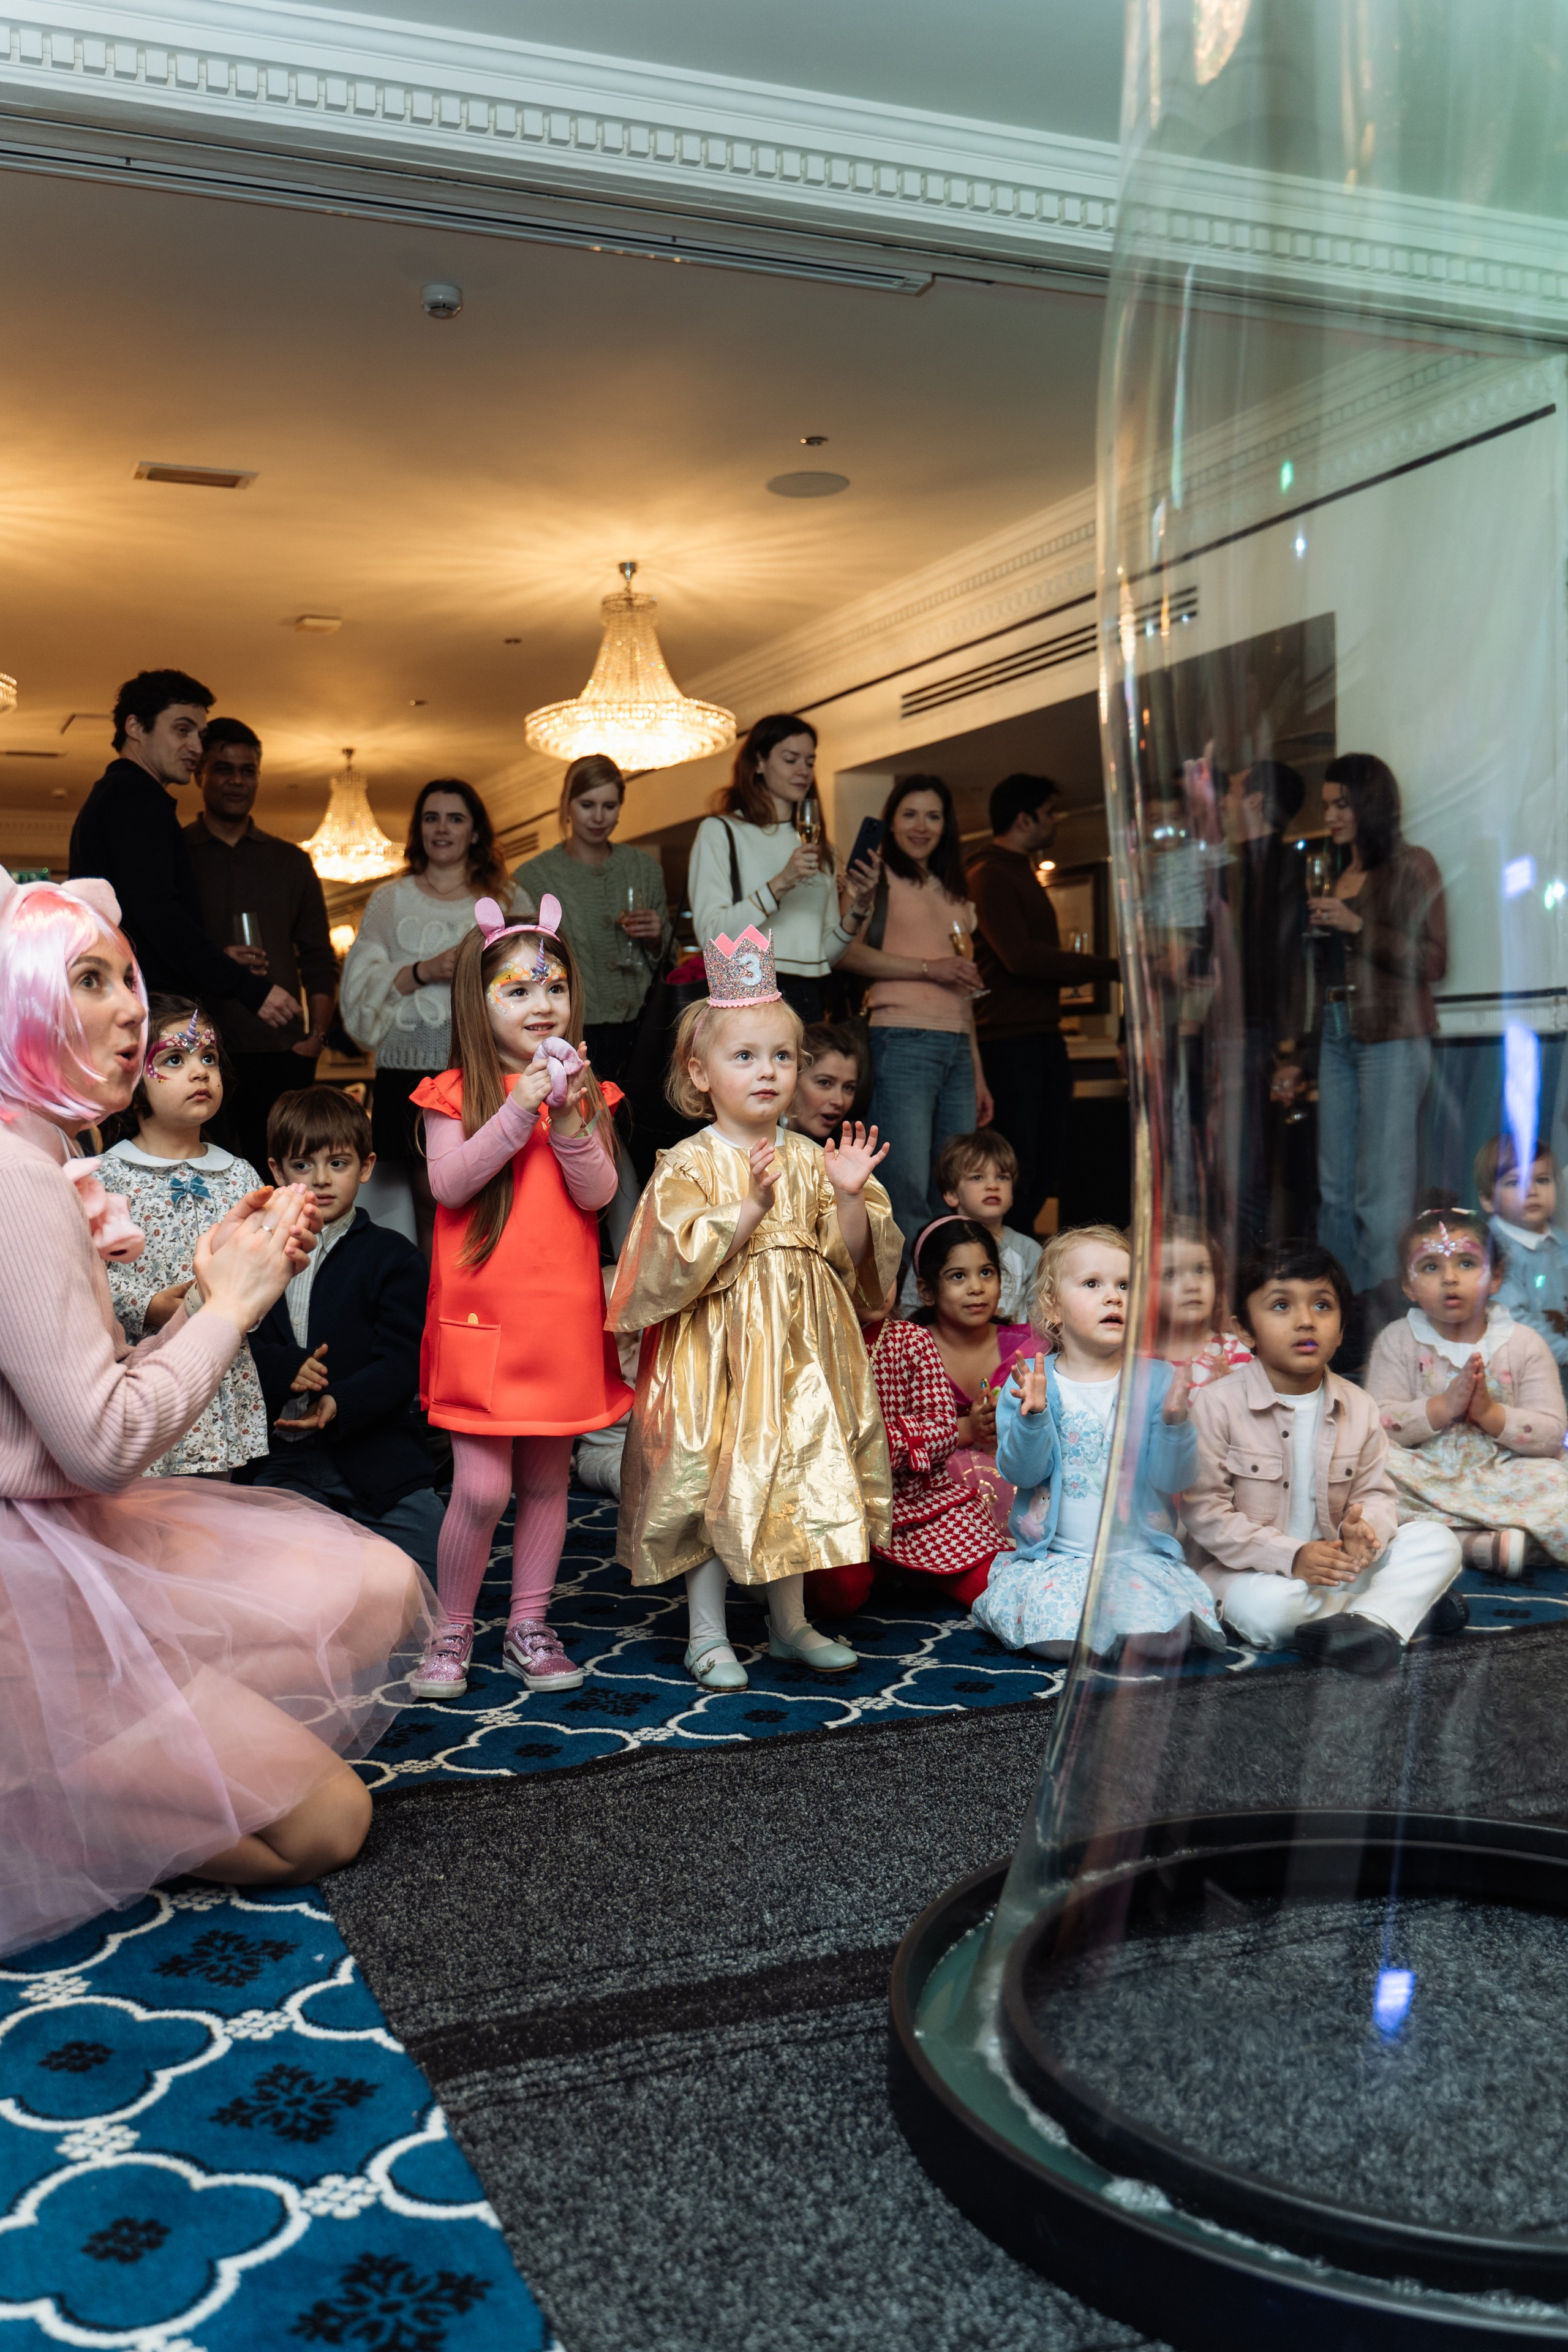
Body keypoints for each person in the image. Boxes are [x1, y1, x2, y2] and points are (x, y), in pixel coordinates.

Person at [0, 869, 429, 1955]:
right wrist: (233, 1306)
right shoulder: (14, 1176)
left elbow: (67, 1393)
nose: (135, 1008)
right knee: (333, 1822)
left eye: (129, 977)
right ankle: (45, 1791)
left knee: (378, 1588)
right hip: (28, 1574)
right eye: (89, 980)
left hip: (68, 1535)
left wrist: (201, 1287)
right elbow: (97, 1444)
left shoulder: (44, 1157)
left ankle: (124, 1745)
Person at [608, 923, 901, 1692]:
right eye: (745, 1057)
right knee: (711, 1480)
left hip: (799, 1360)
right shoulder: (690, 1161)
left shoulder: (811, 1156)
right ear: (698, 1071)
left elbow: (855, 1261)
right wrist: (744, 1210)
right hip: (716, 1363)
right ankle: (706, 1635)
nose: (767, 1073)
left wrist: (845, 1198)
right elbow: (661, 1263)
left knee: (791, 1475)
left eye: (781, 1057)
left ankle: (789, 1625)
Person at [409, 892, 631, 1700]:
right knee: (481, 1488)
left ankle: (528, 1625)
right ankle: (451, 1630)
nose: (543, 1004)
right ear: (481, 1000)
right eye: (519, 989)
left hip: (561, 1326)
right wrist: (515, 1110)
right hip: (481, 1326)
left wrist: (569, 1117)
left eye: (555, 988)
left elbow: (598, 1195)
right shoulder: (450, 1094)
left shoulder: (591, 1094)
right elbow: (450, 1184)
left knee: (547, 1482)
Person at [1185, 1239, 1464, 1675]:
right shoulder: (1216, 1405)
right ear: (1244, 1329)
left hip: (1338, 1565)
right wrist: (1292, 1557)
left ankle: (1374, 1616)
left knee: (1436, 1541)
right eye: (1281, 1306)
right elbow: (1206, 1516)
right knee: (1271, 1613)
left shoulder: (1360, 1405)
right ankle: (1400, 1611)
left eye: (1322, 1306)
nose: (1304, 1321)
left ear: (1340, 1327)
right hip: (1251, 1574)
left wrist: (1365, 1532)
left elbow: (1377, 1494)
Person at [971, 1226, 1224, 1662]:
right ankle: (1105, 1634)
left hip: (1136, 1556)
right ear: (1053, 1307)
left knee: (1169, 1635)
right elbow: (1023, 1474)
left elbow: (1173, 1478)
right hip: (1060, 1560)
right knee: (1056, 1639)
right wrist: (1034, 1417)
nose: (1114, 1297)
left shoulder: (1156, 1380)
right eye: (1093, 1284)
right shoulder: (1033, 1383)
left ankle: (1123, 1632)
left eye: (1125, 1285)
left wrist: (1175, 1423)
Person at [241, 1086, 448, 1584]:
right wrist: (284, 1368)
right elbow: (236, 1345)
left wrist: (339, 1402)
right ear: (276, 1171)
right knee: (270, 1574)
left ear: (367, 1166)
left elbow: (400, 1364)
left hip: (375, 1456)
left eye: (338, 1163)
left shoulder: (394, 1258)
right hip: (282, 1459)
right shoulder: (255, 1253)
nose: (321, 1180)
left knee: (435, 1563)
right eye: (302, 1166)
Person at [340, 778, 533, 1254]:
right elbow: (358, 994)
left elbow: (534, 975)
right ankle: (430, 1309)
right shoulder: (390, 901)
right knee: (426, 1200)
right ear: (418, 829)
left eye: (455, 818)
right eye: (431, 818)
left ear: (475, 833)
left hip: (481, 1069)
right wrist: (425, 970)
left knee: (491, 1194)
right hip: (406, 1073)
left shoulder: (509, 899)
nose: (442, 829)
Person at [69, 669, 299, 1041]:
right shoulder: (135, 798)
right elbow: (160, 916)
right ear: (135, 727)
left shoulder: (120, 795)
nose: (196, 746)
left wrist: (215, 962)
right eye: (182, 730)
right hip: (146, 1008)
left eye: (199, 734)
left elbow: (148, 921)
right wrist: (251, 989)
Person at [102, 995, 270, 1480]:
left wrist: (240, 1304)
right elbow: (85, 1276)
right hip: (141, 1372)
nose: (200, 1072)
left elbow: (261, 1266)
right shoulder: (109, 1176)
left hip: (220, 1373)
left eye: (209, 1058)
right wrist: (148, 1305)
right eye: (174, 1059)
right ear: (135, 1080)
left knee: (215, 1516)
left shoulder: (240, 1176)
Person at [1304, 753, 1447, 1303]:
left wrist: (1358, 923)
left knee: (1380, 1193)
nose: (1332, 814)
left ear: (1371, 804)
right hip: (1337, 1029)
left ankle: (1383, 1312)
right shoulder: (1334, 871)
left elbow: (1433, 961)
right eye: (1327, 805)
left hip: (1391, 1033)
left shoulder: (1413, 865)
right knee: (1334, 1190)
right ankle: (1331, 1308)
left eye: (1342, 803)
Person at [1365, 1207, 1568, 1578]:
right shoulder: (1398, 1340)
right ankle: (1478, 1546)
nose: (1449, 1279)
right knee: (1365, 1479)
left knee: (1561, 1489)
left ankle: (1458, 1542)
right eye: (1430, 1267)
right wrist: (1443, 1407)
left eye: (1467, 1264)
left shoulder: (1524, 1343)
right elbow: (1377, 1423)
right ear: (1407, 1285)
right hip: (1424, 1475)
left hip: (1507, 1474)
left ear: (1497, 1277)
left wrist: (1490, 1414)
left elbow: (1553, 1433)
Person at [837, 774, 993, 1251]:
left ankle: (942, 1306)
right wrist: (931, 968)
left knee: (955, 1189)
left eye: (933, 816)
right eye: (909, 814)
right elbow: (845, 955)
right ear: (891, 819)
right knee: (904, 1189)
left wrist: (978, 1074)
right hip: (899, 1039)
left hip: (956, 1051)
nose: (921, 826)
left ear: (947, 826)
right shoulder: (875, 877)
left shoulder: (955, 894)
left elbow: (963, 991)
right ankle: (900, 1312)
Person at [183, 718, 338, 1174]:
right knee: (202, 1178)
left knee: (285, 1177)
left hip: (282, 1053)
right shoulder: (176, 852)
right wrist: (217, 963)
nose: (236, 781)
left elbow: (318, 959)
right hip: (201, 1046)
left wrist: (316, 1039)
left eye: (247, 770)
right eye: (223, 768)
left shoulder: (291, 861)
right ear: (200, 774)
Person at [967, 774, 1119, 1236]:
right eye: (1050, 812)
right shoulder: (989, 874)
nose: (1056, 821)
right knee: (1020, 1162)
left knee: (1047, 1158)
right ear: (1024, 818)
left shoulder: (1018, 871)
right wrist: (1110, 967)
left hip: (1039, 1036)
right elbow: (1020, 956)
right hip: (1009, 1040)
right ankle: (1006, 1269)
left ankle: (1023, 1261)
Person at [804, 1298, 1014, 1622]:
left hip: (922, 1507)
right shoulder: (806, 1341)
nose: (874, 1282)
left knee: (997, 1586)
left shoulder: (911, 1340)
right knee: (838, 1595)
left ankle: (917, 1573)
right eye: (860, 1268)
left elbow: (944, 1430)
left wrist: (873, 1443)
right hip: (841, 1512)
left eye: (885, 1270)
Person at [687, 714, 877, 1023]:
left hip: (811, 995)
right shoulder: (722, 831)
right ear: (759, 763)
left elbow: (823, 955)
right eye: (791, 760)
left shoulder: (821, 848)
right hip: (747, 987)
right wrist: (782, 882)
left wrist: (859, 908)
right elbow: (711, 938)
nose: (803, 771)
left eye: (810, 761)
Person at [513, 753, 671, 1085]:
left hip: (643, 1023)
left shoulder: (644, 869)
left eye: (610, 806)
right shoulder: (532, 877)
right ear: (567, 805)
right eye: (588, 805)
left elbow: (669, 960)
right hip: (573, 1024)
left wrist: (657, 938)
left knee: (642, 1123)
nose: (599, 817)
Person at [1218, 758, 1308, 1251]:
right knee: (1242, 1168)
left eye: (1231, 792)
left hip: (1260, 1033)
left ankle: (1248, 1275)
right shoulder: (1240, 870)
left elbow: (1288, 965)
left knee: (1247, 1169)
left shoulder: (1281, 868)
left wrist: (1290, 1048)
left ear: (1254, 801)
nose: (1224, 803)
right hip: (1249, 1031)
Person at [903, 1215, 1034, 1536]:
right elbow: (894, 1442)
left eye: (986, 1273)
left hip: (1018, 1486)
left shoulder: (1029, 1348)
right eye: (958, 1276)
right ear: (927, 1290)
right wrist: (967, 1429)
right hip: (932, 1497)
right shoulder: (907, 1351)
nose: (977, 1288)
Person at [896, 1129, 1042, 1322]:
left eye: (1002, 1177)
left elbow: (1041, 1318)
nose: (993, 1186)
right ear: (952, 1194)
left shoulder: (1029, 1250)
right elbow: (910, 1313)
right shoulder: (935, 1246)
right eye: (977, 1177)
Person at [1477, 1133, 1568, 1401]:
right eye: (1515, 1183)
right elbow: (1514, 1321)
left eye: (1542, 1180)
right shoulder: (1497, 1251)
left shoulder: (1558, 1240)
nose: (1531, 1191)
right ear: (1487, 1199)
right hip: (1519, 1366)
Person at [1152, 1216, 1251, 1387]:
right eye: (1170, 1274)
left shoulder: (1237, 1351)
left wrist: (1230, 1396)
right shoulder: (1131, 1359)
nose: (1192, 1286)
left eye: (1200, 1270)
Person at [787, 1022, 867, 1144]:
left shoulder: (842, 1147)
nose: (839, 1101)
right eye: (825, 1083)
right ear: (792, 1079)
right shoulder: (755, 1139)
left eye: (849, 1088)